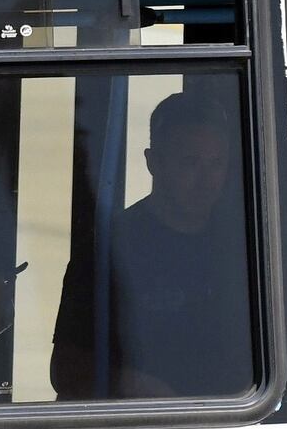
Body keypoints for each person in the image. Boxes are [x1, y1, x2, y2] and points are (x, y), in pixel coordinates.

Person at [51, 92, 252, 399]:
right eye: (190, 163)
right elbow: (65, 371)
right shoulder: (107, 249)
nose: (206, 180)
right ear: (153, 162)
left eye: (216, 164)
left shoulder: (242, 246)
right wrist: (126, 383)